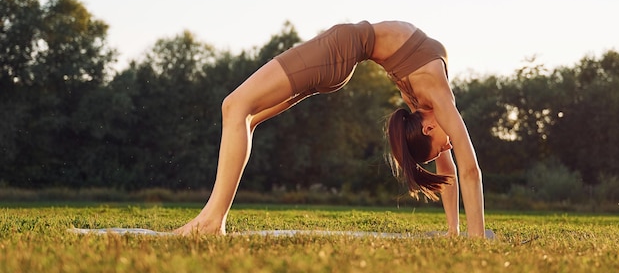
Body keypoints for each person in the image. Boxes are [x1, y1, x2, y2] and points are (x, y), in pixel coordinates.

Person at [173, 20, 485, 237]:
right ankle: (214, 218)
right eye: (444, 147)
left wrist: (457, 233)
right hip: (341, 53)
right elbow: (467, 170)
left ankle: (213, 220)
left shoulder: (425, 104)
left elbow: (452, 173)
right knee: (245, 116)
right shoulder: (438, 97)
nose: (449, 148)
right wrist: (476, 239)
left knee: (235, 107)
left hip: (340, 52)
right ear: (429, 128)